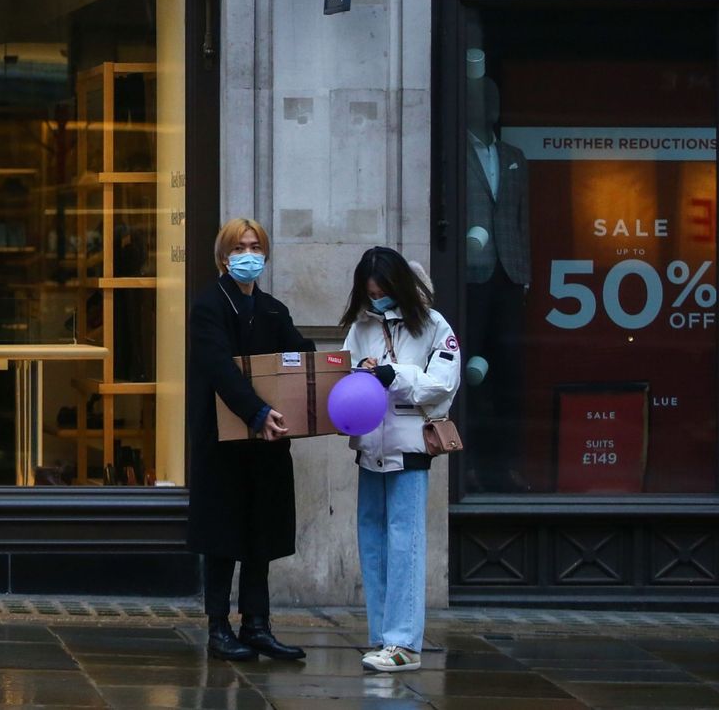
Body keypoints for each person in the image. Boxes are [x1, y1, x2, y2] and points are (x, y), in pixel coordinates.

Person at [187, 217, 312, 662]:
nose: (248, 254)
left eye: (255, 246)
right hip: (224, 442)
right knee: (223, 537)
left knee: (261, 535)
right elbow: (220, 368)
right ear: (224, 256)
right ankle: (219, 628)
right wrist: (257, 412)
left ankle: (256, 625)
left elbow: (300, 356)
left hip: (267, 444)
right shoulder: (208, 306)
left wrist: (340, 366)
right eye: (239, 247)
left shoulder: (273, 309)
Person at [339, 246, 462, 673]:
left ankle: (404, 643)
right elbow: (346, 371)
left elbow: (444, 384)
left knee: (405, 542)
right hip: (370, 446)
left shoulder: (432, 325)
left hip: (410, 446)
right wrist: (363, 372)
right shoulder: (361, 327)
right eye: (370, 293)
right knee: (372, 540)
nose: (377, 300)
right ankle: (382, 635)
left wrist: (396, 376)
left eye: (383, 292)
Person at [464, 62, 530, 491]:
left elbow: (524, 220)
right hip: (471, 275)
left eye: (495, 98)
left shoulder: (514, 158)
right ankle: (468, 464)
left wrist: (526, 271)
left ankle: (504, 464)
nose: (492, 106)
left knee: (509, 372)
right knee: (467, 372)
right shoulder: (456, 152)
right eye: (483, 98)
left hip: (509, 273)